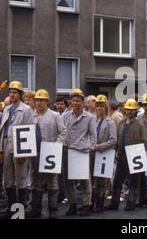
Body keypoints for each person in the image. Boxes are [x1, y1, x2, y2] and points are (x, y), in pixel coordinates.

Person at [25, 89, 66, 219]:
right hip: (35, 152)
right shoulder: (31, 115)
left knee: (52, 181)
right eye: (37, 100)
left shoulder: (55, 115)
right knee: (36, 181)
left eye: (42, 101)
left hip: (50, 152)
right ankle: (36, 209)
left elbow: (63, 132)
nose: (39, 103)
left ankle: (52, 210)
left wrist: (56, 145)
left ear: (47, 102)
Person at [0, 81, 35, 219]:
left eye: (14, 92)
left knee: (21, 179)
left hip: (19, 146)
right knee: (7, 179)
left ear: (20, 94)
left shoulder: (26, 109)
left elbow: (29, 131)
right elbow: (2, 130)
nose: (12, 95)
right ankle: (11, 207)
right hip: (6, 143)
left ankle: (21, 209)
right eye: (10, 92)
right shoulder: (6, 109)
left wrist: (23, 152)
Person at [106, 99, 146, 212]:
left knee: (134, 182)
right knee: (117, 181)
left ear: (136, 111)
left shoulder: (140, 124)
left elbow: (144, 140)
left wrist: (140, 155)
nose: (129, 112)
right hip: (122, 155)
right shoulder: (121, 123)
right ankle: (114, 203)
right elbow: (118, 138)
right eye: (127, 109)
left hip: (135, 155)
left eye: (131, 110)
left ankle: (131, 202)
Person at [63, 89, 97, 217]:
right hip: (68, 150)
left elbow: (94, 135)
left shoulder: (89, 117)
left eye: (78, 100)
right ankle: (72, 205)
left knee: (85, 180)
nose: (75, 103)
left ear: (83, 102)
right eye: (73, 100)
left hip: (82, 152)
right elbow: (61, 131)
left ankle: (87, 205)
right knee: (68, 180)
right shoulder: (66, 115)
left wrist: (91, 148)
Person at [91, 95, 117, 213]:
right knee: (91, 179)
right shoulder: (92, 120)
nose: (99, 108)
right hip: (92, 153)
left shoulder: (110, 122)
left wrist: (100, 146)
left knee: (101, 180)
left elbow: (113, 140)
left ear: (105, 107)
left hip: (104, 153)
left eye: (101, 106)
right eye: (97, 106)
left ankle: (100, 203)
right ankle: (91, 202)